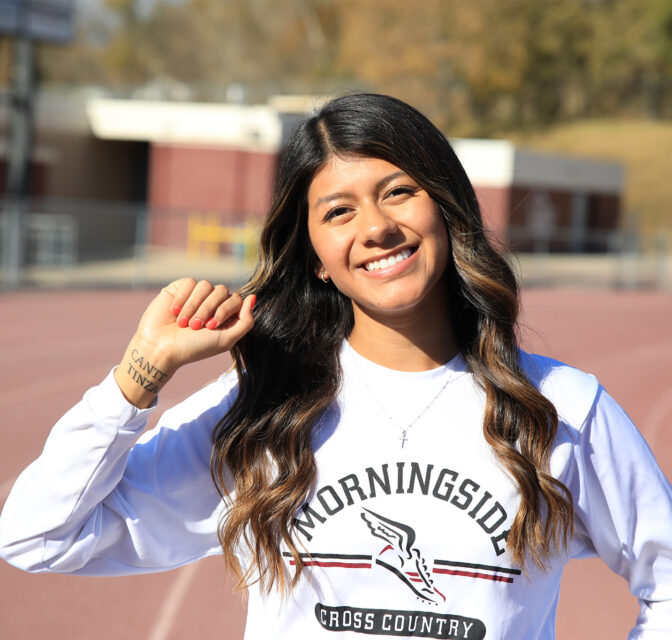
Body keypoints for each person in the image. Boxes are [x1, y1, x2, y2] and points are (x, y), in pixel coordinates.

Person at [0, 93, 671, 639]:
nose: (374, 227)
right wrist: (139, 375)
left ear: (447, 207)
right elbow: (36, 535)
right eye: (339, 211)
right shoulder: (264, 408)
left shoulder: (561, 408)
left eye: (398, 192)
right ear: (316, 255)